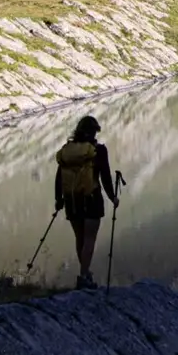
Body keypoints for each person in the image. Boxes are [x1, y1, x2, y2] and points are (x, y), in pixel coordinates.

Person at [54, 115, 118, 290]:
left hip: (71, 200)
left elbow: (59, 177)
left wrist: (58, 199)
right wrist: (113, 197)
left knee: (80, 238)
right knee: (90, 239)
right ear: (93, 132)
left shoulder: (67, 150)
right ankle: (83, 277)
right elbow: (105, 176)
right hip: (91, 198)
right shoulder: (98, 150)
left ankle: (86, 273)